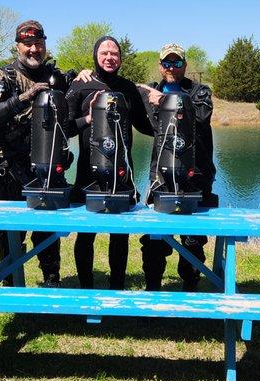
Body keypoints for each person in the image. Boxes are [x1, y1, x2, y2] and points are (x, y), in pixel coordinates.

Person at [0, 20, 77, 287]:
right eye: (28, 44)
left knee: (47, 227)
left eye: (39, 44)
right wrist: (24, 97)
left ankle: (51, 282)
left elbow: (65, 123)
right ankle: (10, 282)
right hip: (7, 165)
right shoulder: (3, 76)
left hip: (45, 163)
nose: (34, 49)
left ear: (45, 44)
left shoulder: (56, 78)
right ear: (18, 46)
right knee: (11, 230)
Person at [66, 36, 154, 290]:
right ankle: (86, 287)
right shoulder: (81, 85)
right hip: (88, 173)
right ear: (95, 55)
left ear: (120, 59)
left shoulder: (128, 88)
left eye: (114, 53)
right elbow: (66, 128)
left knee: (120, 234)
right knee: (86, 234)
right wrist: (88, 118)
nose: (109, 57)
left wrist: (173, 124)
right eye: (104, 52)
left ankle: (117, 286)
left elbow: (143, 125)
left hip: (122, 174)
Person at [138, 43, 218, 292]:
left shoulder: (199, 91)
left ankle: (190, 286)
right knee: (153, 236)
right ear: (160, 66)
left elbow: (201, 117)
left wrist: (163, 101)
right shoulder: (151, 90)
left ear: (185, 65)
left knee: (193, 239)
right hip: (160, 174)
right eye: (167, 63)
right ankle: (153, 288)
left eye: (177, 62)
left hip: (197, 173)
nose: (172, 67)